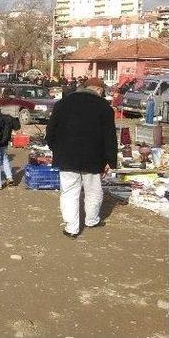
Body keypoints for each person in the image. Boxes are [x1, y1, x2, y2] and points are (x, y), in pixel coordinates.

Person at [46, 78, 117, 239]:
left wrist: (55, 148)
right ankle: (92, 220)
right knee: (93, 191)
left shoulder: (62, 104)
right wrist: (110, 160)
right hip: (94, 158)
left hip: (66, 157)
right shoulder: (104, 107)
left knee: (69, 192)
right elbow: (110, 137)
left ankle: (72, 228)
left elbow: (50, 131)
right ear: (98, 90)